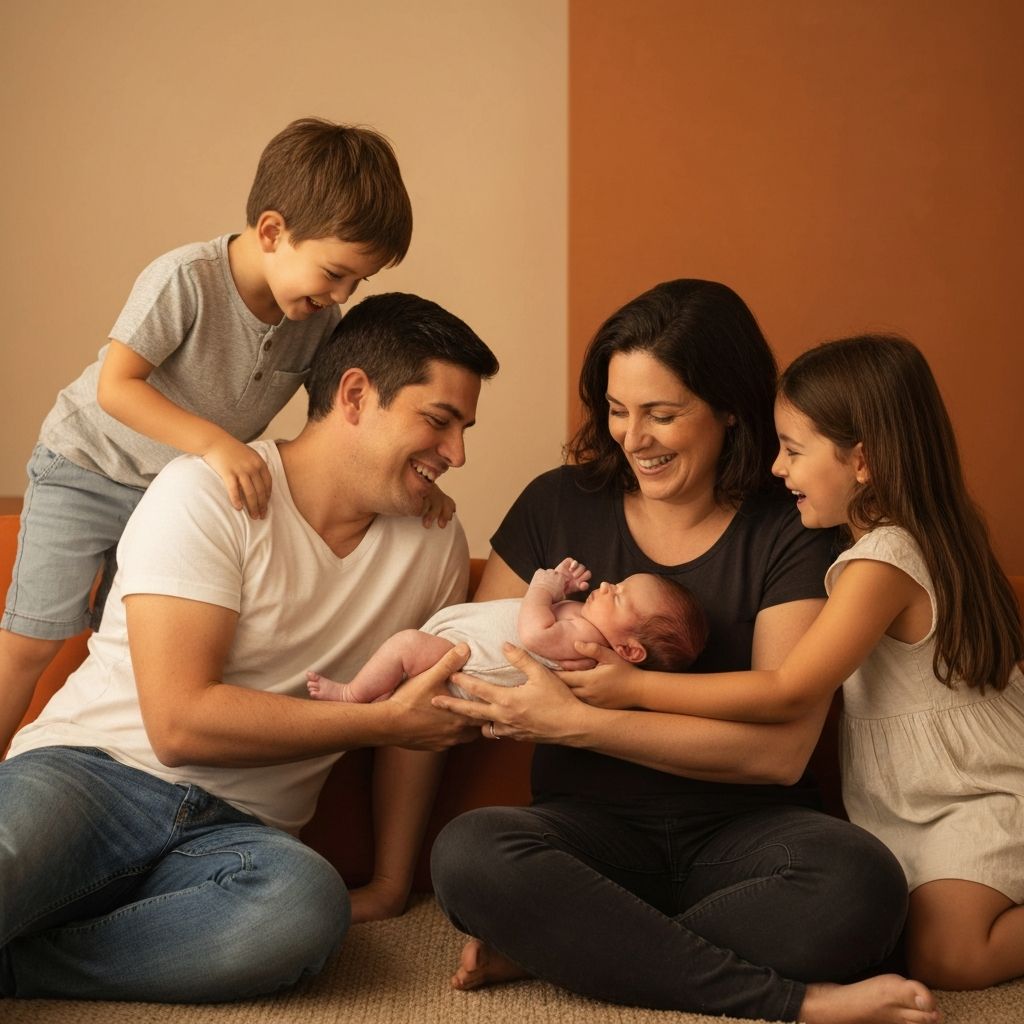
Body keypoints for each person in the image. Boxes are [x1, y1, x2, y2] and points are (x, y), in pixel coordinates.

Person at [429, 282, 939, 1024]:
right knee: (470, 855)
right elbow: (485, 665)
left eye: (663, 413)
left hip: (746, 838)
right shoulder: (556, 504)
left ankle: (578, 950)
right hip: (587, 834)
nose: (634, 436)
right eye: (617, 409)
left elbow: (777, 756)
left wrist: (581, 721)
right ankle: (797, 1003)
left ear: (730, 408)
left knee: (862, 884)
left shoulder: (791, 525)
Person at [0, 292, 498, 1002]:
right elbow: (179, 725)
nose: (457, 454)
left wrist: (390, 883)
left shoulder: (435, 545)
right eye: (440, 422)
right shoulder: (204, 492)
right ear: (355, 394)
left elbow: (412, 722)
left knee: (301, 911)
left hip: (240, 836)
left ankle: (20, 968)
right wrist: (380, 720)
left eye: (464, 430)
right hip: (93, 776)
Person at [566, 334, 1024, 993]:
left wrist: (637, 687)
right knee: (880, 934)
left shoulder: (884, 560)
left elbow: (787, 690)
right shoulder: (896, 537)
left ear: (860, 461)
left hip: (975, 793)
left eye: (794, 450)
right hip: (919, 801)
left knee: (948, 958)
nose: (777, 470)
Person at [0, 117, 454, 757]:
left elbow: (342, 422)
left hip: (167, 496)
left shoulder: (313, 320)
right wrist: (214, 444)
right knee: (33, 641)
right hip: (88, 467)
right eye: (334, 272)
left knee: (124, 655)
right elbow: (117, 386)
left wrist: (414, 477)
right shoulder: (185, 279)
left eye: (358, 283)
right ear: (273, 232)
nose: (341, 295)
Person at [306, 557, 708, 704]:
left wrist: (543, 588)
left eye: (618, 596)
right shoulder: (584, 622)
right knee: (405, 650)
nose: (606, 586)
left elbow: (534, 634)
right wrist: (564, 589)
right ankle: (376, 695)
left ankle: (350, 694)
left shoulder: (586, 645)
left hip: (467, 667)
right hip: (462, 650)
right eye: (616, 583)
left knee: (405, 645)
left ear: (630, 650)